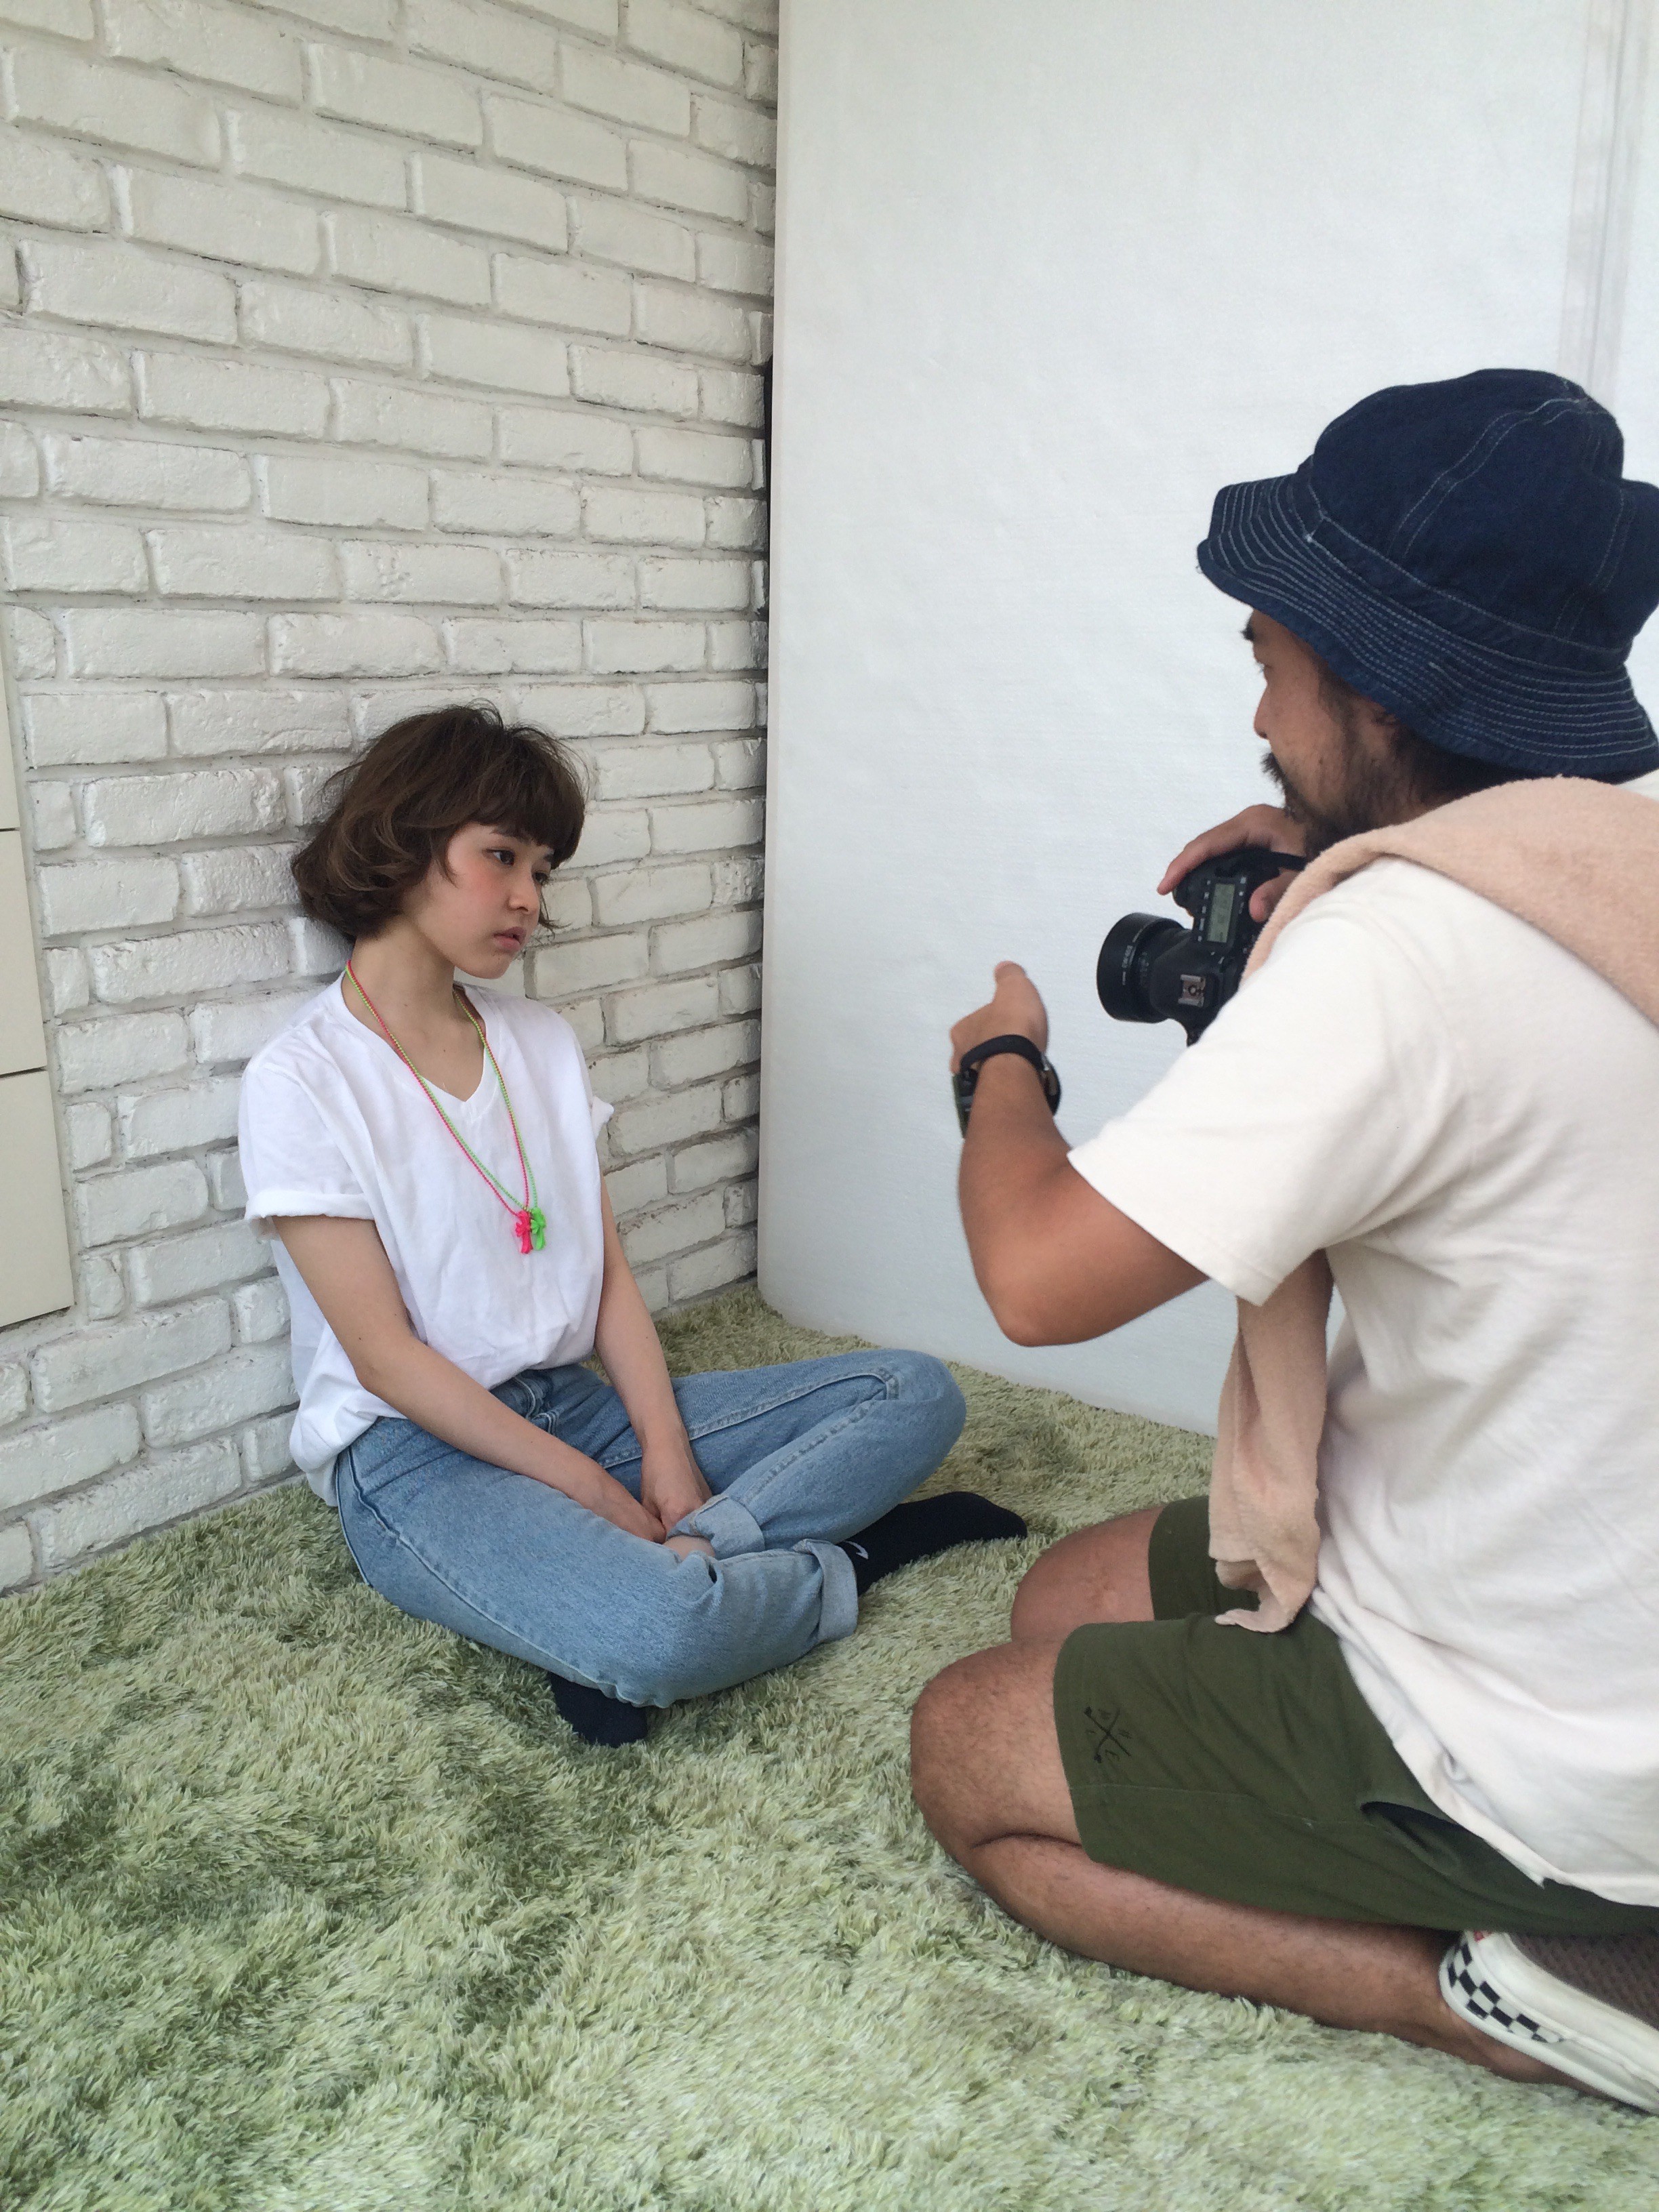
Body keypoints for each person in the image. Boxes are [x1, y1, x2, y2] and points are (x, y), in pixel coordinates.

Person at [910, 370, 1659, 2107]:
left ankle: (1522, 1986)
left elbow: (1036, 1278)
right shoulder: (1604, 874)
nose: (1257, 708)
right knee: (1060, 1598)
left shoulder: (1397, 959)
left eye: (1269, 659)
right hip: (1569, 1592)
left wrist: (1002, 1068)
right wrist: (1343, 855)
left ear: (1371, 681)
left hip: (1556, 1740)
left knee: (970, 1747)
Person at [239, 705, 1021, 1747]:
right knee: (665, 1633)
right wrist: (593, 1493)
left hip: (574, 1405)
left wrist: (663, 1456)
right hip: (418, 1457)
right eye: (502, 857)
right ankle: (843, 1560)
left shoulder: (537, 1042)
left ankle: (674, 1565)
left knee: (914, 1393)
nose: (529, 898)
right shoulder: (301, 1080)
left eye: (542, 870)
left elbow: (604, 1274)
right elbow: (384, 1359)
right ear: (406, 841)